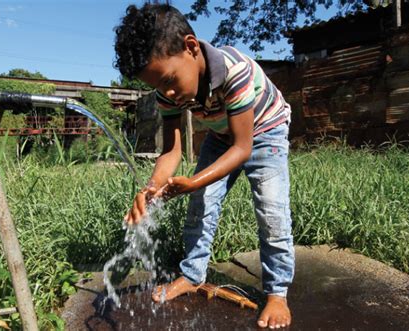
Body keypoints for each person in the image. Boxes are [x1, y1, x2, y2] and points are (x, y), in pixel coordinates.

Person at [114, 3, 294, 329]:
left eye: (169, 80)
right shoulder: (169, 93)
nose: (167, 93)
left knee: (271, 210)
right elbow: (171, 152)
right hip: (223, 135)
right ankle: (192, 274)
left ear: (191, 47)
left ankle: (277, 292)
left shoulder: (235, 71)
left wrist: (196, 180)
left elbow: (243, 148)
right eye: (158, 87)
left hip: (265, 131)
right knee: (201, 205)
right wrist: (151, 189)